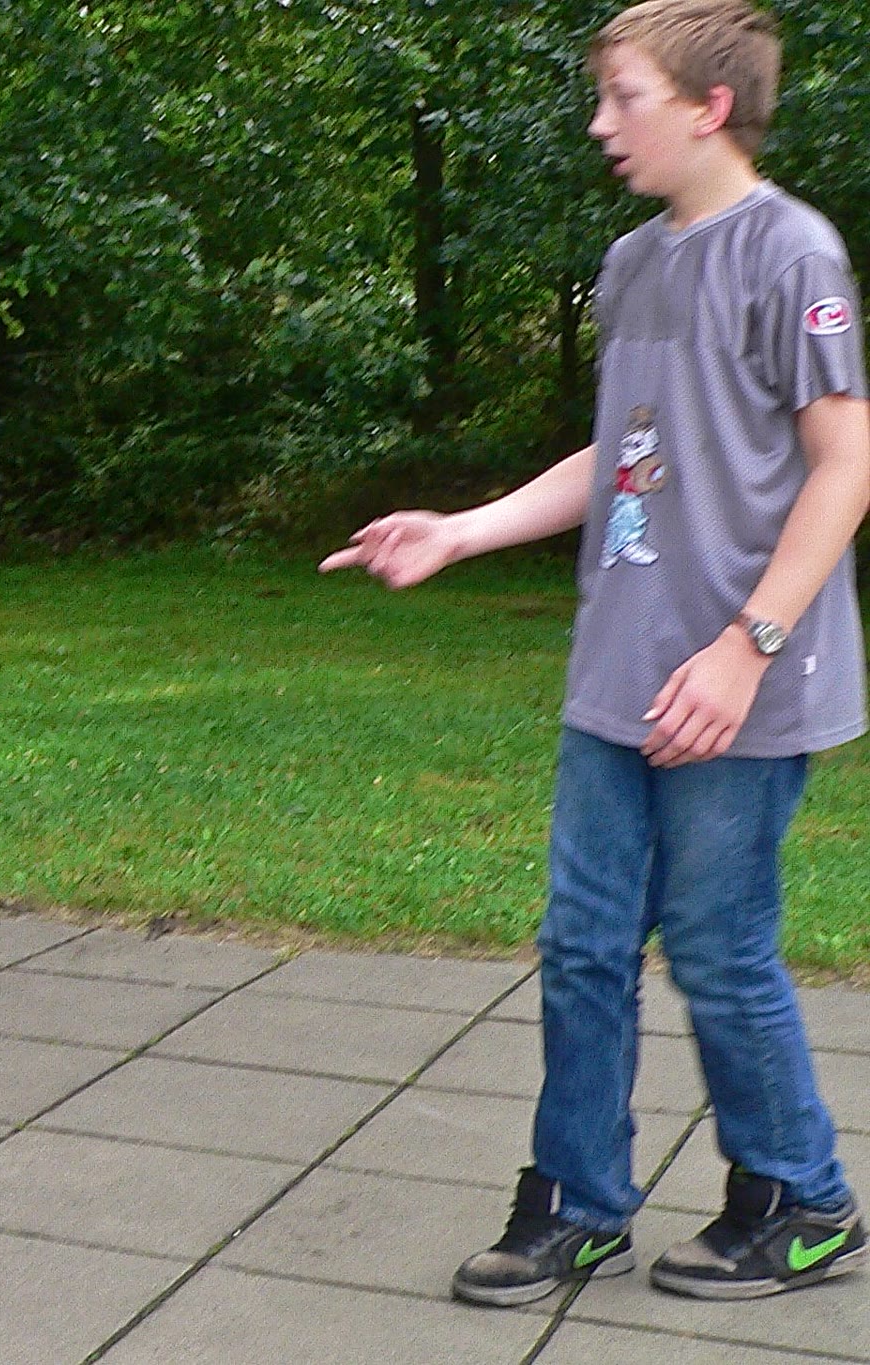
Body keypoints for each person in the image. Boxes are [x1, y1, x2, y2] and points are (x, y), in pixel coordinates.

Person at [323, 0, 867, 1306]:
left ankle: (799, 1200)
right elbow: (622, 449)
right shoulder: (630, 263)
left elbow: (844, 467)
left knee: (718, 947)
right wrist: (461, 530)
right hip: (620, 669)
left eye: (623, 96)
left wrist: (745, 646)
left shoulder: (791, 251)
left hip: (739, 681)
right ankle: (576, 1203)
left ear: (708, 106)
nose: (598, 123)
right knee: (581, 945)